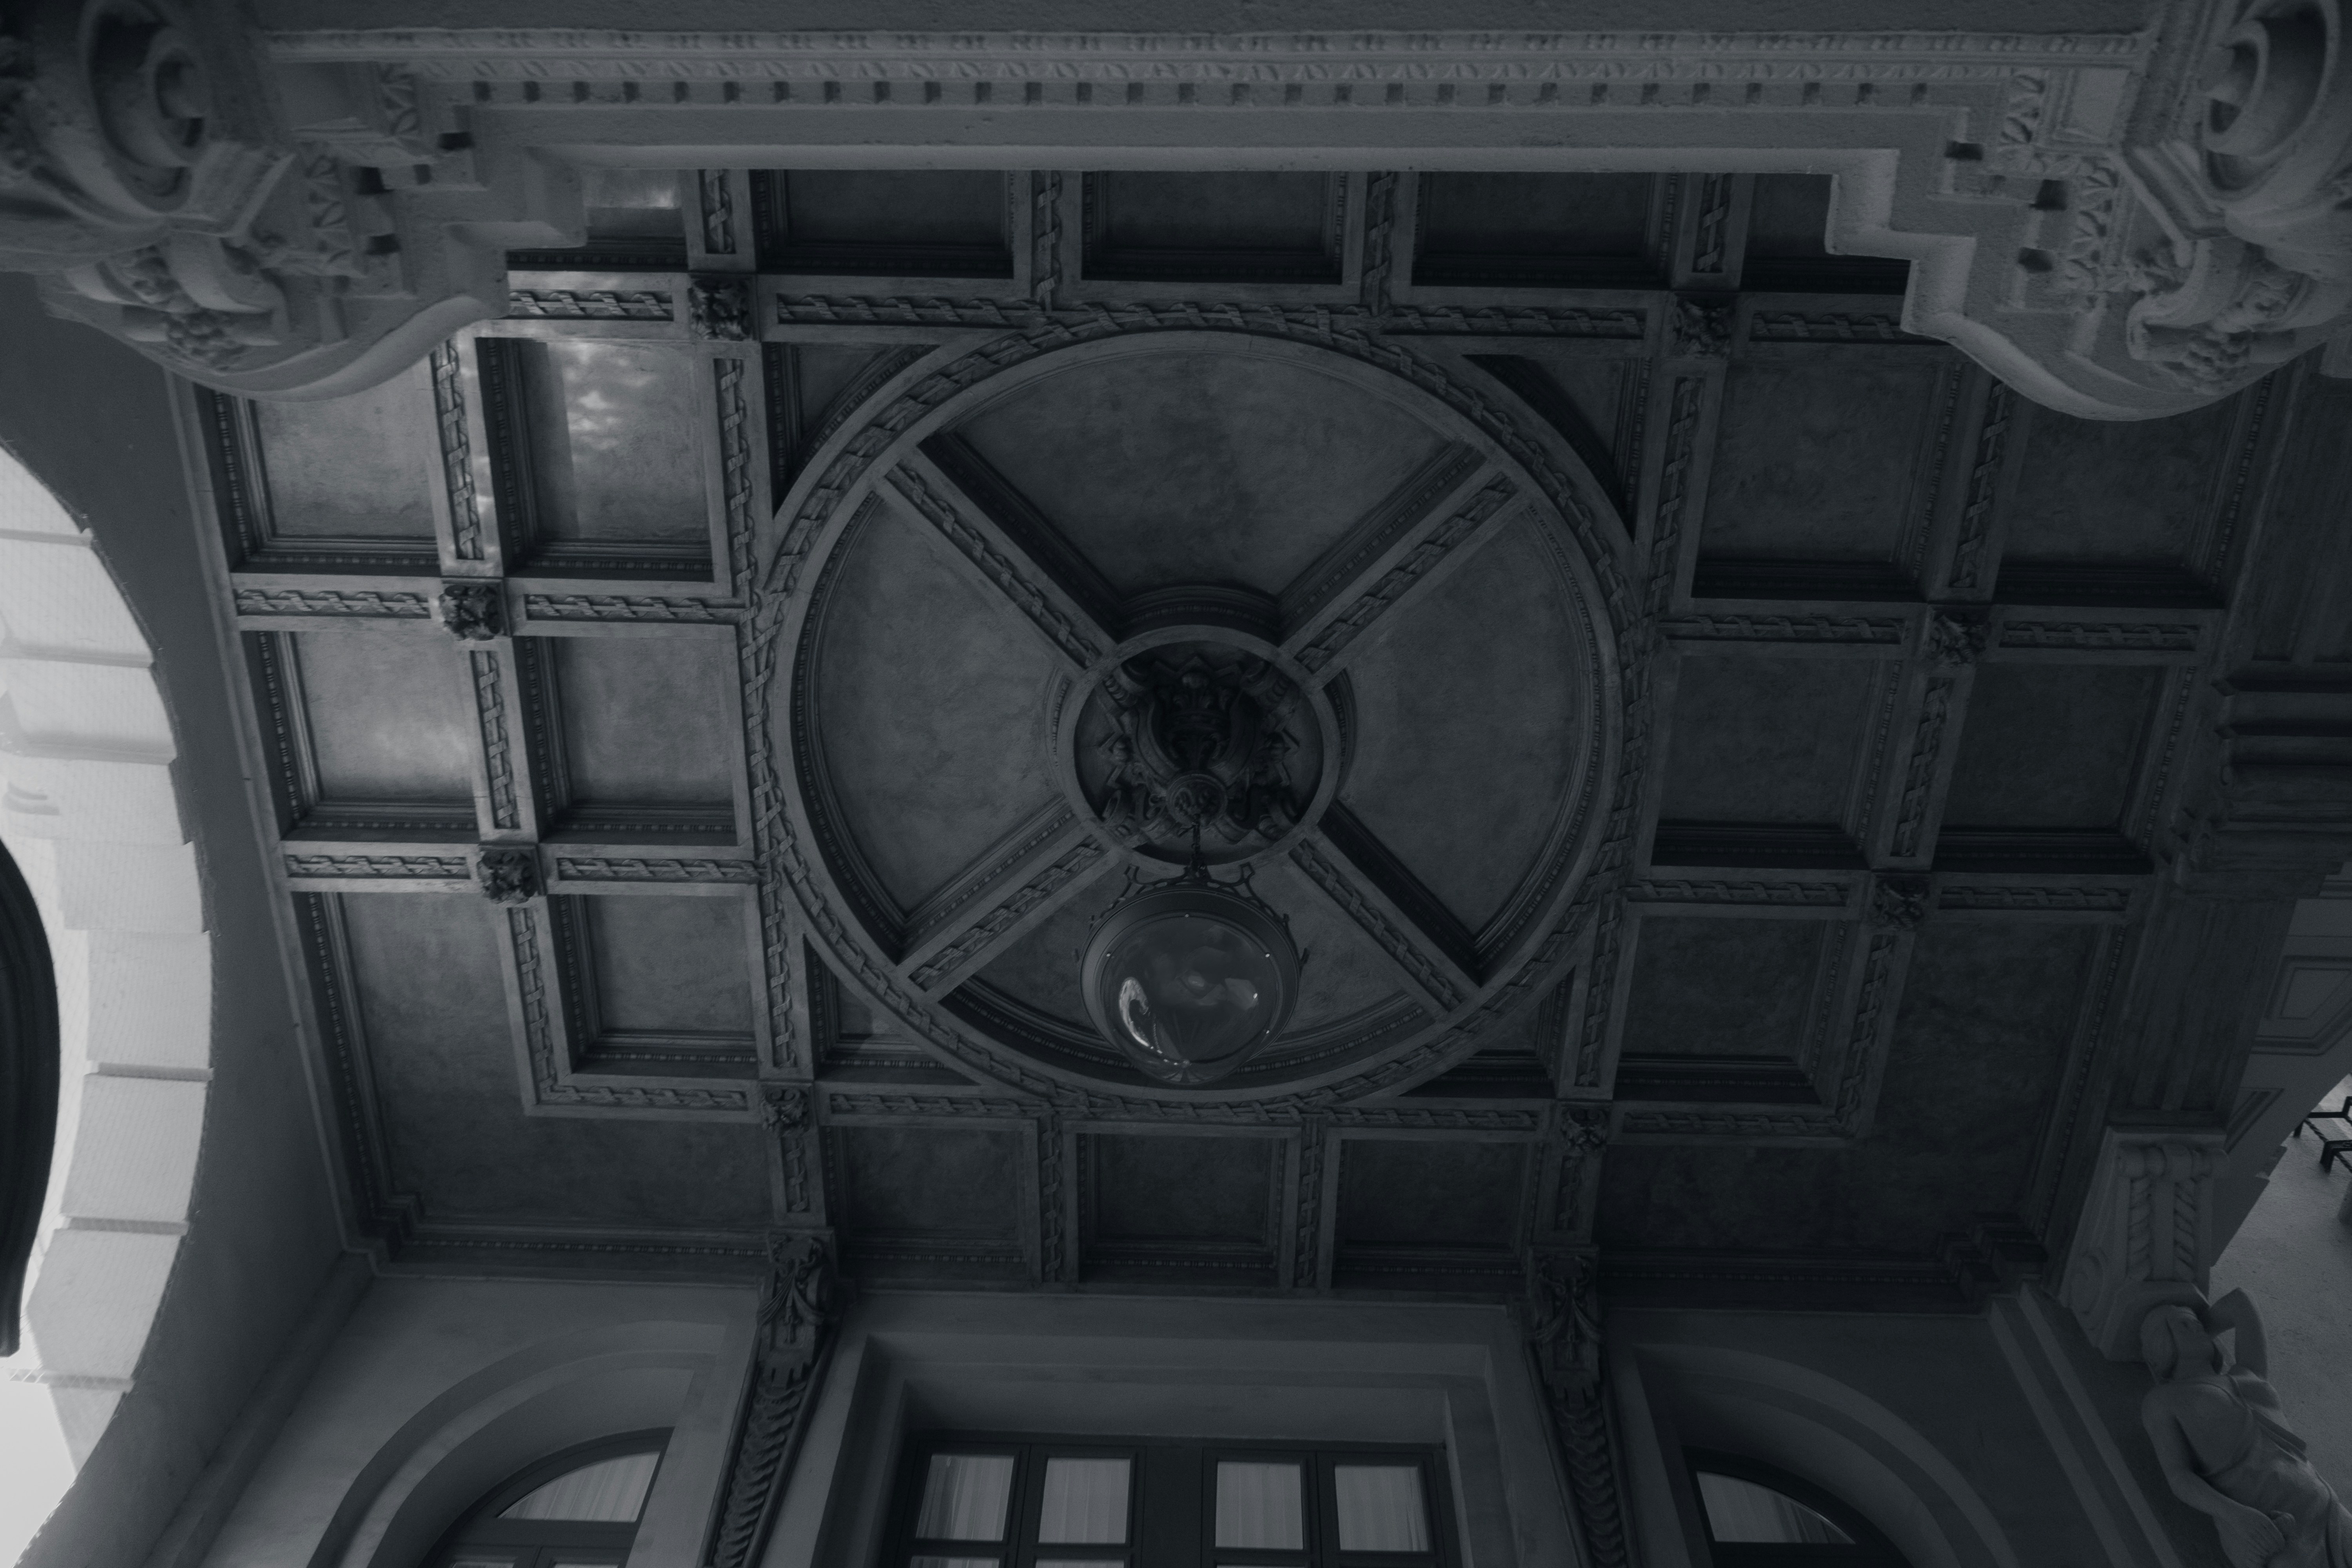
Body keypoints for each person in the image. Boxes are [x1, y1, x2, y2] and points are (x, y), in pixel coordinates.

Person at [2141, 1289, 2352, 1566]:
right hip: (2271, 1526)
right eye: (2183, 1325)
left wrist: (2198, 1327)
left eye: (2197, 1323)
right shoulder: (2164, 1400)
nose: (2196, 1327)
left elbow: (2241, 1303)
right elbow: (2179, 1477)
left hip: (2322, 1502)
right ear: (2162, 1343)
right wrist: (2235, 1516)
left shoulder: (2247, 1373)